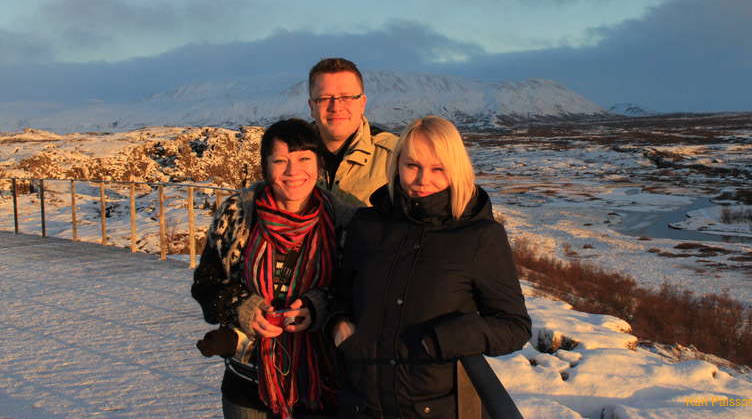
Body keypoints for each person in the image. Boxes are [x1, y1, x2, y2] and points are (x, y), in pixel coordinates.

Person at [332, 115, 531, 418]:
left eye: (438, 169)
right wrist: (339, 324)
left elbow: (514, 326)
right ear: (396, 163)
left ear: (457, 171)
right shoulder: (368, 226)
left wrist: (447, 339)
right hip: (361, 405)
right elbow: (340, 295)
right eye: (412, 166)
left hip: (436, 408)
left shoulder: (479, 236)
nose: (423, 180)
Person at [192, 119, 352, 419]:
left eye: (304, 159)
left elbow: (354, 293)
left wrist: (317, 307)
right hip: (248, 378)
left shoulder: (341, 220)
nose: (293, 172)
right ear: (265, 166)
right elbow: (206, 283)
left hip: (320, 382)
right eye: (281, 161)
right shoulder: (238, 212)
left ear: (318, 164)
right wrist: (244, 308)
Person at [307, 58, 397, 207]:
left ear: (362, 103)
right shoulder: (289, 158)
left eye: (346, 97)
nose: (336, 107)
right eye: (324, 98)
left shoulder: (396, 158)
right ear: (311, 106)